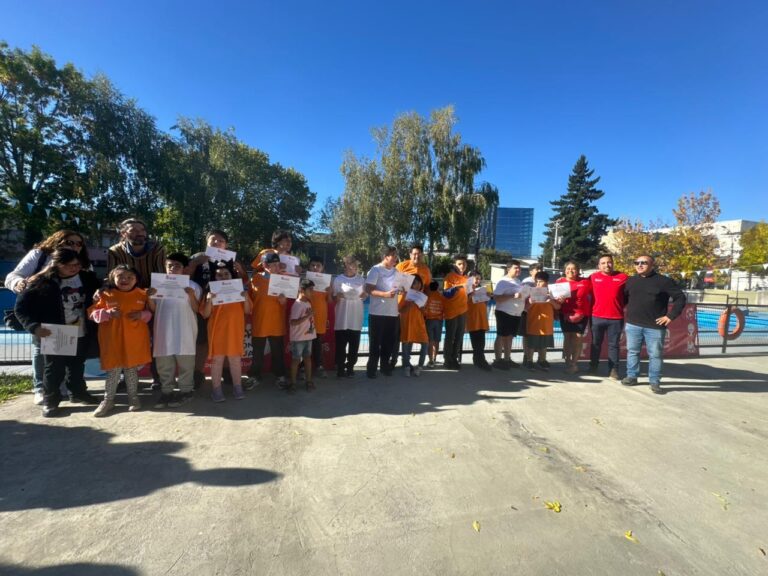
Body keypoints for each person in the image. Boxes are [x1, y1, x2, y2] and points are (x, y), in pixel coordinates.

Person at [6, 229, 92, 405]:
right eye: (69, 242)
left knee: (75, 363)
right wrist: (21, 284)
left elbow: (92, 288)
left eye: (78, 243)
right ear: (58, 241)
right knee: (49, 361)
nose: (75, 246)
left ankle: (74, 391)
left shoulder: (83, 268)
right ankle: (44, 392)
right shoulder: (40, 260)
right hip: (47, 319)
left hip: (76, 323)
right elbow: (14, 280)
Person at [14, 249, 101, 417]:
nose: (74, 268)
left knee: (77, 365)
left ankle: (78, 393)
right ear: (56, 264)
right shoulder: (41, 282)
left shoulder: (87, 278)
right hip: (56, 331)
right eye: (69, 265)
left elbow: (103, 287)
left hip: (81, 329)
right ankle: (51, 401)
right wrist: (34, 327)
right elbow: (21, 308)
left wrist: (103, 289)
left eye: (77, 264)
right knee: (54, 369)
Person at [88, 265, 152, 416]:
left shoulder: (143, 294)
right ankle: (108, 400)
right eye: (121, 276)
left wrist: (142, 315)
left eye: (130, 277)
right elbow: (91, 313)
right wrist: (106, 313)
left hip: (133, 342)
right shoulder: (105, 294)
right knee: (113, 372)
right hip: (112, 341)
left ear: (136, 280)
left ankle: (133, 398)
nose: (125, 280)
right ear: (112, 277)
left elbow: (151, 314)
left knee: (131, 371)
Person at [188, 229, 247, 389]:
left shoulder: (232, 258)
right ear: (207, 242)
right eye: (213, 240)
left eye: (221, 241)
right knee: (202, 341)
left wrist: (240, 270)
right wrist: (195, 263)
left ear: (226, 244)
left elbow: (243, 282)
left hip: (226, 306)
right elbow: (183, 276)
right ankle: (198, 373)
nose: (217, 243)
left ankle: (228, 373)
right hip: (203, 304)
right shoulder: (197, 257)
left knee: (226, 341)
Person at [622, 255, 686, 394]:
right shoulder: (631, 281)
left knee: (655, 355)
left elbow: (680, 298)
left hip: (654, 326)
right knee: (632, 352)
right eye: (637, 262)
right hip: (633, 324)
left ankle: (655, 381)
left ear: (652, 265)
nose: (639, 265)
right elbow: (623, 299)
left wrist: (670, 316)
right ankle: (632, 376)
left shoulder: (664, 281)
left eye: (643, 263)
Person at [147, 253, 201, 408]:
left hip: (185, 330)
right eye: (169, 265)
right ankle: (166, 392)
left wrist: (191, 295)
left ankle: (186, 391)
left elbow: (197, 309)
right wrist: (149, 297)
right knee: (164, 364)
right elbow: (154, 309)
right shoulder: (157, 285)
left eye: (177, 265)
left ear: (184, 269)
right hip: (163, 330)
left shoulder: (193, 286)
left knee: (186, 364)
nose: (172, 268)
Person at [199, 266, 252, 402]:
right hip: (217, 332)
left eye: (226, 274)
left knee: (235, 360)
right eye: (219, 275)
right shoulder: (210, 292)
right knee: (217, 361)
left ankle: (237, 387)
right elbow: (205, 314)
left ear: (232, 275)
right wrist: (210, 300)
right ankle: (216, 389)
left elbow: (247, 311)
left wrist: (245, 297)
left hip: (235, 331)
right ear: (214, 278)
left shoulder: (239, 291)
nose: (223, 277)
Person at [246, 252, 287, 388]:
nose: (275, 267)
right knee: (257, 353)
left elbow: (291, 300)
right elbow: (249, 298)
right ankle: (254, 376)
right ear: (264, 265)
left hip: (276, 323)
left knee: (278, 353)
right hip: (260, 322)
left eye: (277, 264)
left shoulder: (284, 279)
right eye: (272, 265)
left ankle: (280, 376)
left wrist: (283, 301)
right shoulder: (256, 278)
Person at [391, 245, 432, 368]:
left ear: (422, 255)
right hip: (399, 308)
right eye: (414, 253)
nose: (416, 256)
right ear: (410, 255)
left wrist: (425, 301)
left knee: (408, 336)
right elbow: (393, 284)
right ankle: (393, 361)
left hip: (415, 308)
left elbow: (428, 287)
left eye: (419, 254)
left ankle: (406, 362)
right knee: (396, 337)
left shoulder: (425, 270)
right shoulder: (401, 266)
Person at [588, 254, 628, 379]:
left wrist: (619, 305)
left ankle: (613, 370)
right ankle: (593, 367)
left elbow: (628, 295)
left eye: (609, 262)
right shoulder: (593, 277)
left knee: (614, 345)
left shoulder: (623, 277)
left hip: (616, 318)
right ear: (599, 266)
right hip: (596, 317)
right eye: (603, 263)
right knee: (595, 344)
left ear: (613, 263)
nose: (607, 265)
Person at [365, 246, 400, 379]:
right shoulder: (376, 270)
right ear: (386, 256)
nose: (396, 258)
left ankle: (385, 367)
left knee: (388, 343)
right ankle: (371, 369)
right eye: (393, 255)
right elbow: (369, 289)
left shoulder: (397, 271)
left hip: (392, 313)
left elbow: (399, 288)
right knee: (375, 343)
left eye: (396, 255)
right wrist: (385, 294)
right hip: (377, 313)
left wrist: (402, 289)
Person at [332, 255, 367, 378]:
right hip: (342, 318)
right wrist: (337, 296)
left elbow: (364, 295)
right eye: (353, 265)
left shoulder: (361, 280)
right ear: (346, 265)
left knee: (354, 347)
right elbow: (333, 297)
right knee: (340, 347)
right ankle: (340, 368)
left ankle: (350, 367)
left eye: (356, 265)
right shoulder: (338, 280)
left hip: (355, 317)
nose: (355, 267)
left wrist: (364, 295)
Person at [107, 218, 165, 289]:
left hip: (152, 292)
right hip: (126, 292)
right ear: (123, 234)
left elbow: (162, 275)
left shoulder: (157, 249)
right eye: (133, 230)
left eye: (142, 230)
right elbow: (111, 277)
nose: (140, 233)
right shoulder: (115, 251)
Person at [557, 261, 592, 375]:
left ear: (578, 270)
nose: (570, 271)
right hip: (565, 314)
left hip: (581, 314)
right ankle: (567, 361)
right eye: (568, 268)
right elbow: (553, 298)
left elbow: (596, 294)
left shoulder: (585, 282)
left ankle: (574, 363)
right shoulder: (560, 282)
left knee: (578, 338)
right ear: (564, 270)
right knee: (567, 338)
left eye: (573, 269)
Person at [523, 271, 562, 370]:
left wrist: (551, 301)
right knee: (531, 343)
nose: (538, 284)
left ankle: (542, 360)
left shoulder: (552, 293)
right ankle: (529, 361)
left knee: (544, 344)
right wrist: (531, 302)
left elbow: (558, 307)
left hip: (546, 323)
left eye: (540, 282)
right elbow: (525, 308)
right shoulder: (530, 292)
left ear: (547, 282)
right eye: (536, 282)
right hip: (533, 322)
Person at [492, 260, 525, 369]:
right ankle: (497, 360)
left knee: (510, 337)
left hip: (516, 313)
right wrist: (512, 296)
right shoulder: (503, 281)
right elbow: (496, 298)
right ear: (508, 269)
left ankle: (507, 359)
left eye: (519, 268)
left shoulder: (518, 281)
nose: (518, 270)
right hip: (504, 312)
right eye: (516, 268)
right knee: (501, 336)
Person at [288, 279, 317, 392]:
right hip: (298, 338)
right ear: (302, 290)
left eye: (312, 289)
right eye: (310, 290)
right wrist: (307, 316)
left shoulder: (308, 303)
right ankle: (293, 383)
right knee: (296, 360)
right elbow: (293, 322)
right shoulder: (297, 305)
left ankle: (308, 381)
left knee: (307, 359)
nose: (312, 292)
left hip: (308, 337)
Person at [442, 254, 470, 370]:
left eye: (463, 264)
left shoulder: (467, 279)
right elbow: (446, 293)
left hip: (463, 311)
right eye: (459, 264)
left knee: (459, 337)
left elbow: (467, 294)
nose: (462, 266)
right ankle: (447, 360)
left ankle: (454, 358)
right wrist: (457, 287)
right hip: (452, 311)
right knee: (450, 336)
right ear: (454, 265)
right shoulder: (449, 277)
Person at [398, 274, 428, 377]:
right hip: (407, 322)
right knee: (406, 343)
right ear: (410, 284)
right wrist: (409, 305)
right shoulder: (404, 295)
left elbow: (425, 313)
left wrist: (422, 307)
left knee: (425, 343)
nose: (418, 285)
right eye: (415, 283)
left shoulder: (422, 295)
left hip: (419, 323)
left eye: (419, 283)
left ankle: (419, 367)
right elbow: (400, 310)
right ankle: (406, 366)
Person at [307, 256, 332, 379]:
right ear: (309, 267)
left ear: (323, 268)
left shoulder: (326, 282)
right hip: (306, 317)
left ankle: (319, 366)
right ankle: (302, 367)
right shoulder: (304, 281)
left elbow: (330, 301)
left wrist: (330, 291)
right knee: (305, 343)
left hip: (320, 316)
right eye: (313, 265)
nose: (315, 268)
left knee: (317, 342)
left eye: (318, 266)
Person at [466, 271, 492, 371]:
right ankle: (480, 360)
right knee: (476, 340)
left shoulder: (482, 289)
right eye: (476, 278)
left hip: (481, 318)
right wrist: (469, 294)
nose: (478, 280)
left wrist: (488, 297)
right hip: (472, 318)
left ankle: (478, 359)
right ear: (470, 279)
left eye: (479, 278)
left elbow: (484, 303)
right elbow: (463, 302)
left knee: (481, 340)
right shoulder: (467, 290)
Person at [424, 281, 445, 369]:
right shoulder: (441, 297)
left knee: (430, 341)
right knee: (436, 341)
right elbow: (444, 309)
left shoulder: (427, 297)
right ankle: (435, 358)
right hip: (439, 321)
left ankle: (431, 360)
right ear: (437, 288)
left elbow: (424, 309)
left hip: (429, 320)